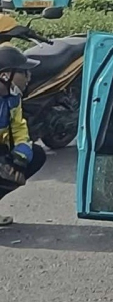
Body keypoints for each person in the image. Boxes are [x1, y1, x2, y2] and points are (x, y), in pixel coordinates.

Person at [0, 45, 45, 227]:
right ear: (6, 75)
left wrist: (20, 155)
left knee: (36, 155)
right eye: (24, 72)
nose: (29, 77)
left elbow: (19, 128)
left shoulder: (12, 97)